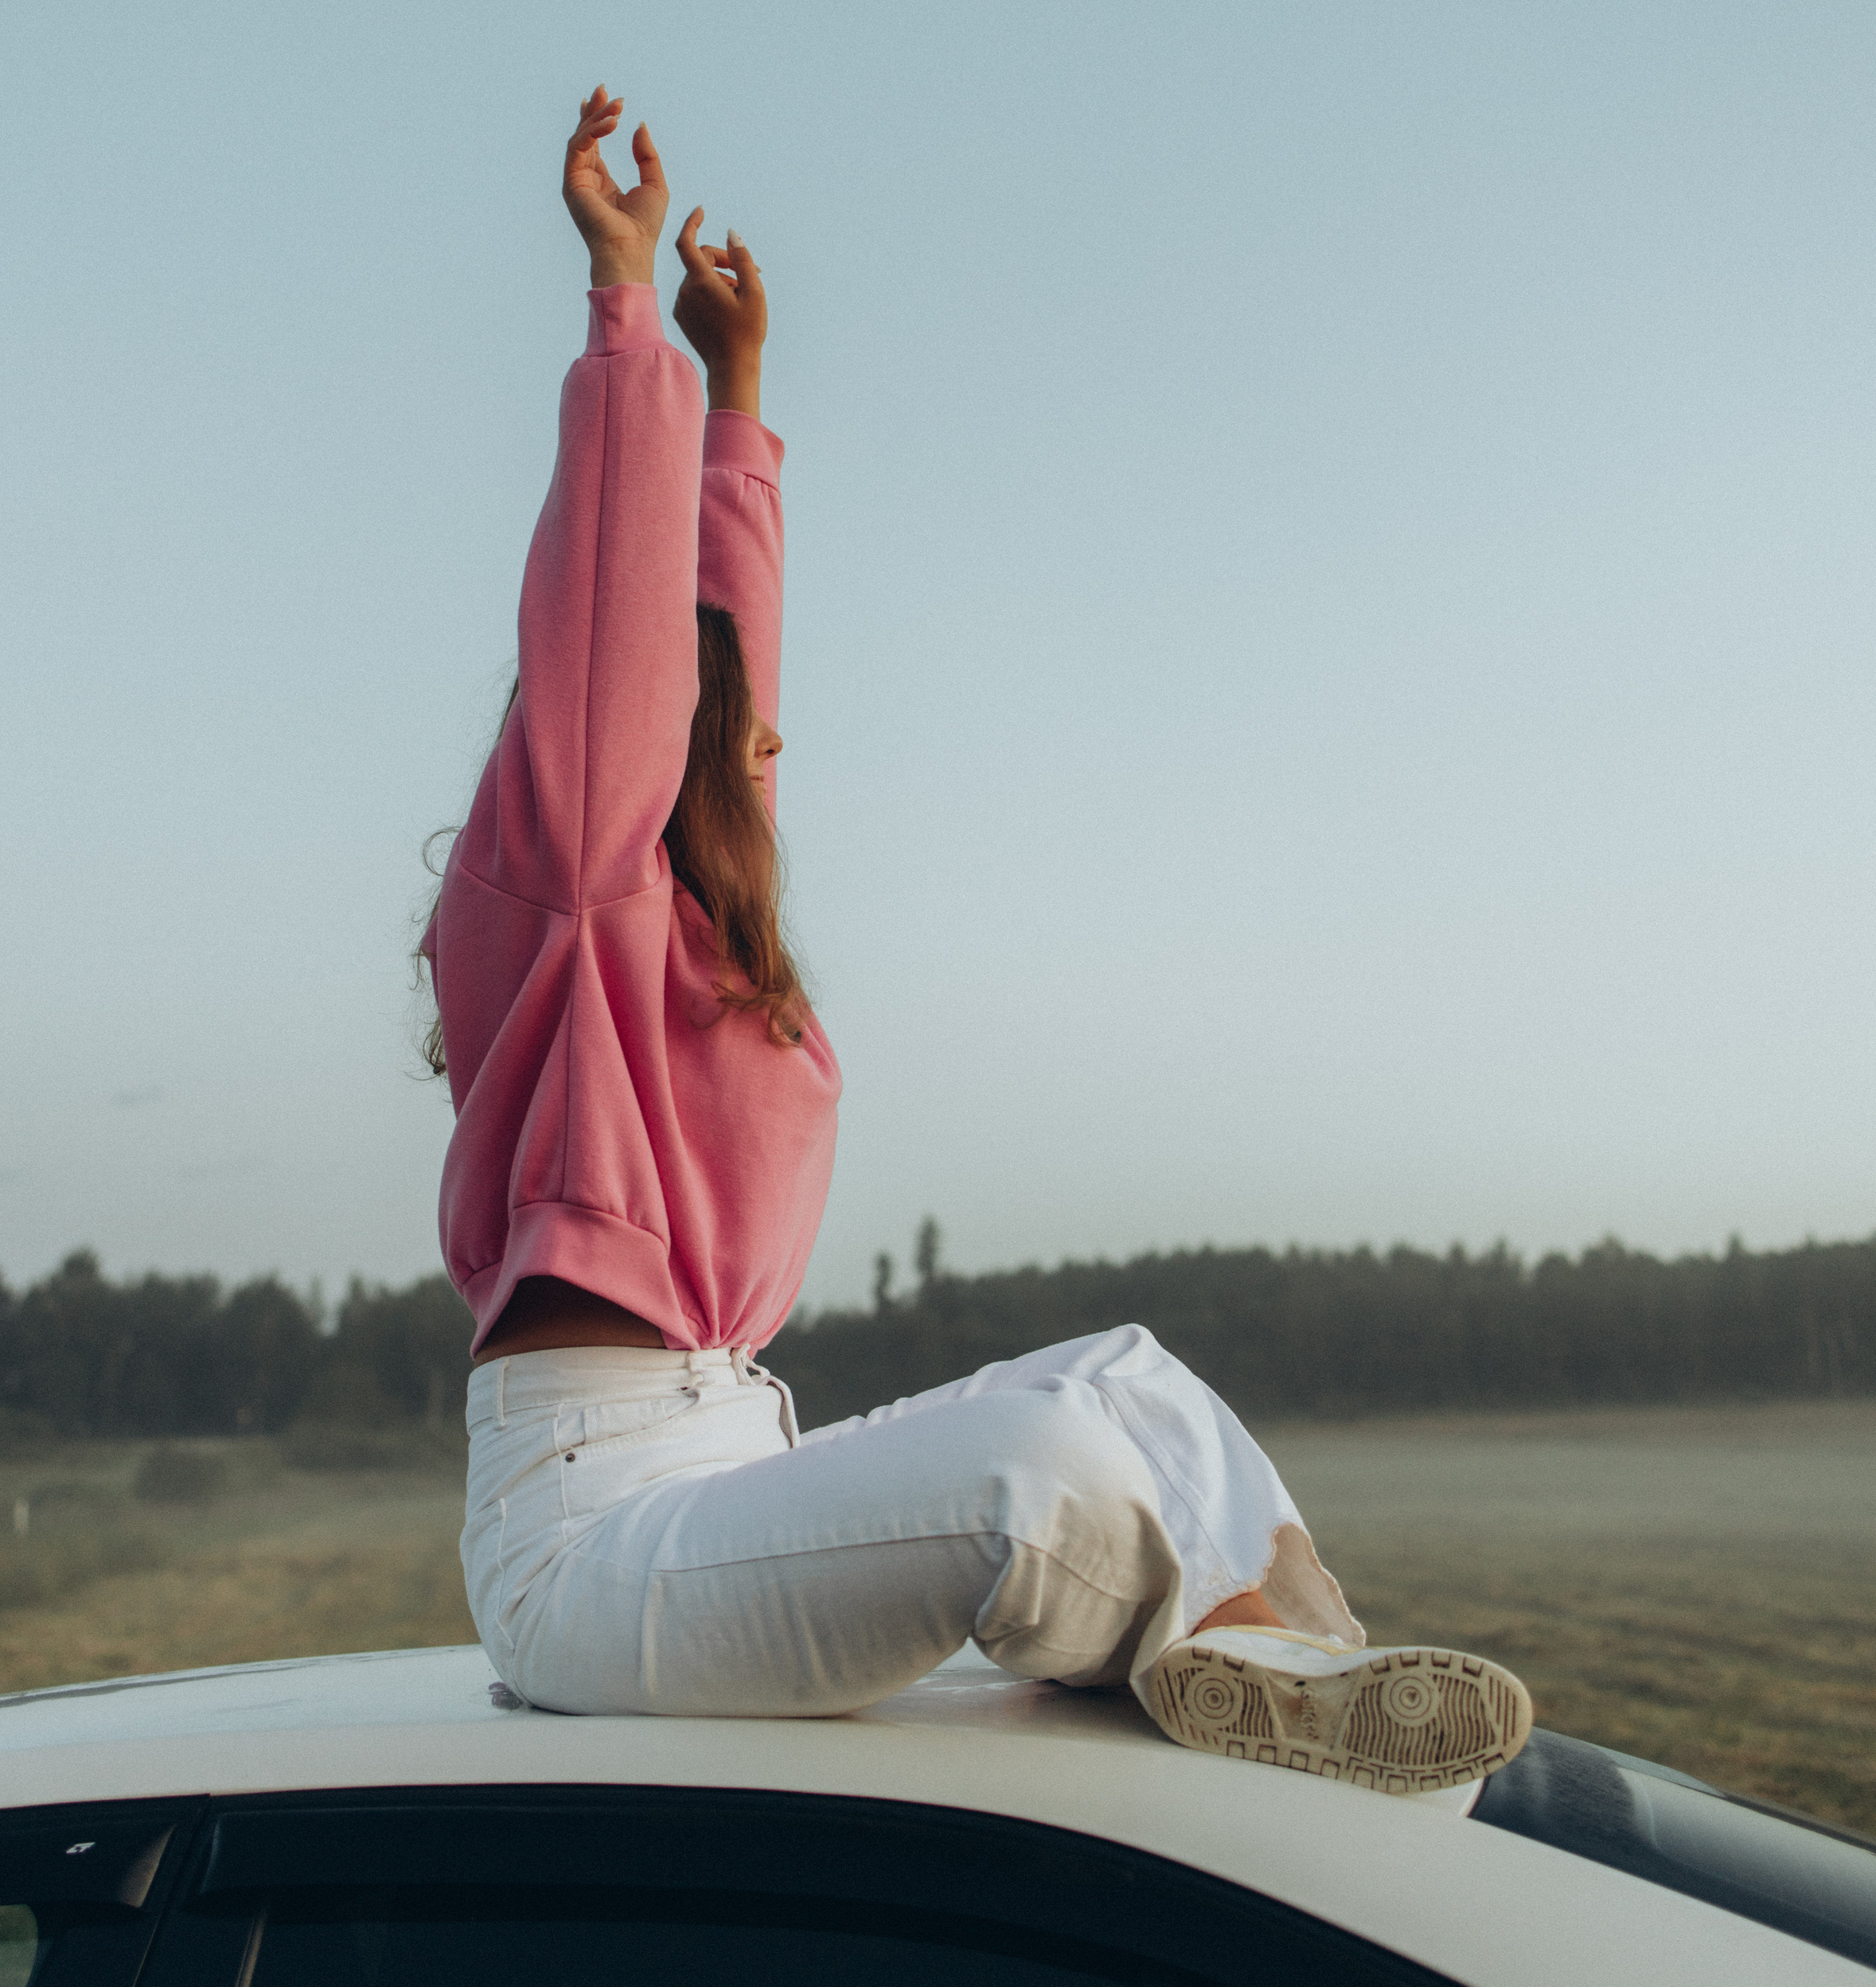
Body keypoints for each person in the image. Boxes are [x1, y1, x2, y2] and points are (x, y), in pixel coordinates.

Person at [418, 87, 1533, 1790]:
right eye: (736, 733)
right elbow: (624, 656)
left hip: (715, 1451)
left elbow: (725, 673)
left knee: (1131, 1378)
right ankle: (1236, 1660)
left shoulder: (697, 925)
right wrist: (623, 310)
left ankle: (1301, 1658)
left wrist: (744, 405)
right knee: (1034, 1472)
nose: (773, 742)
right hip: (586, 1539)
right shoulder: (568, 882)